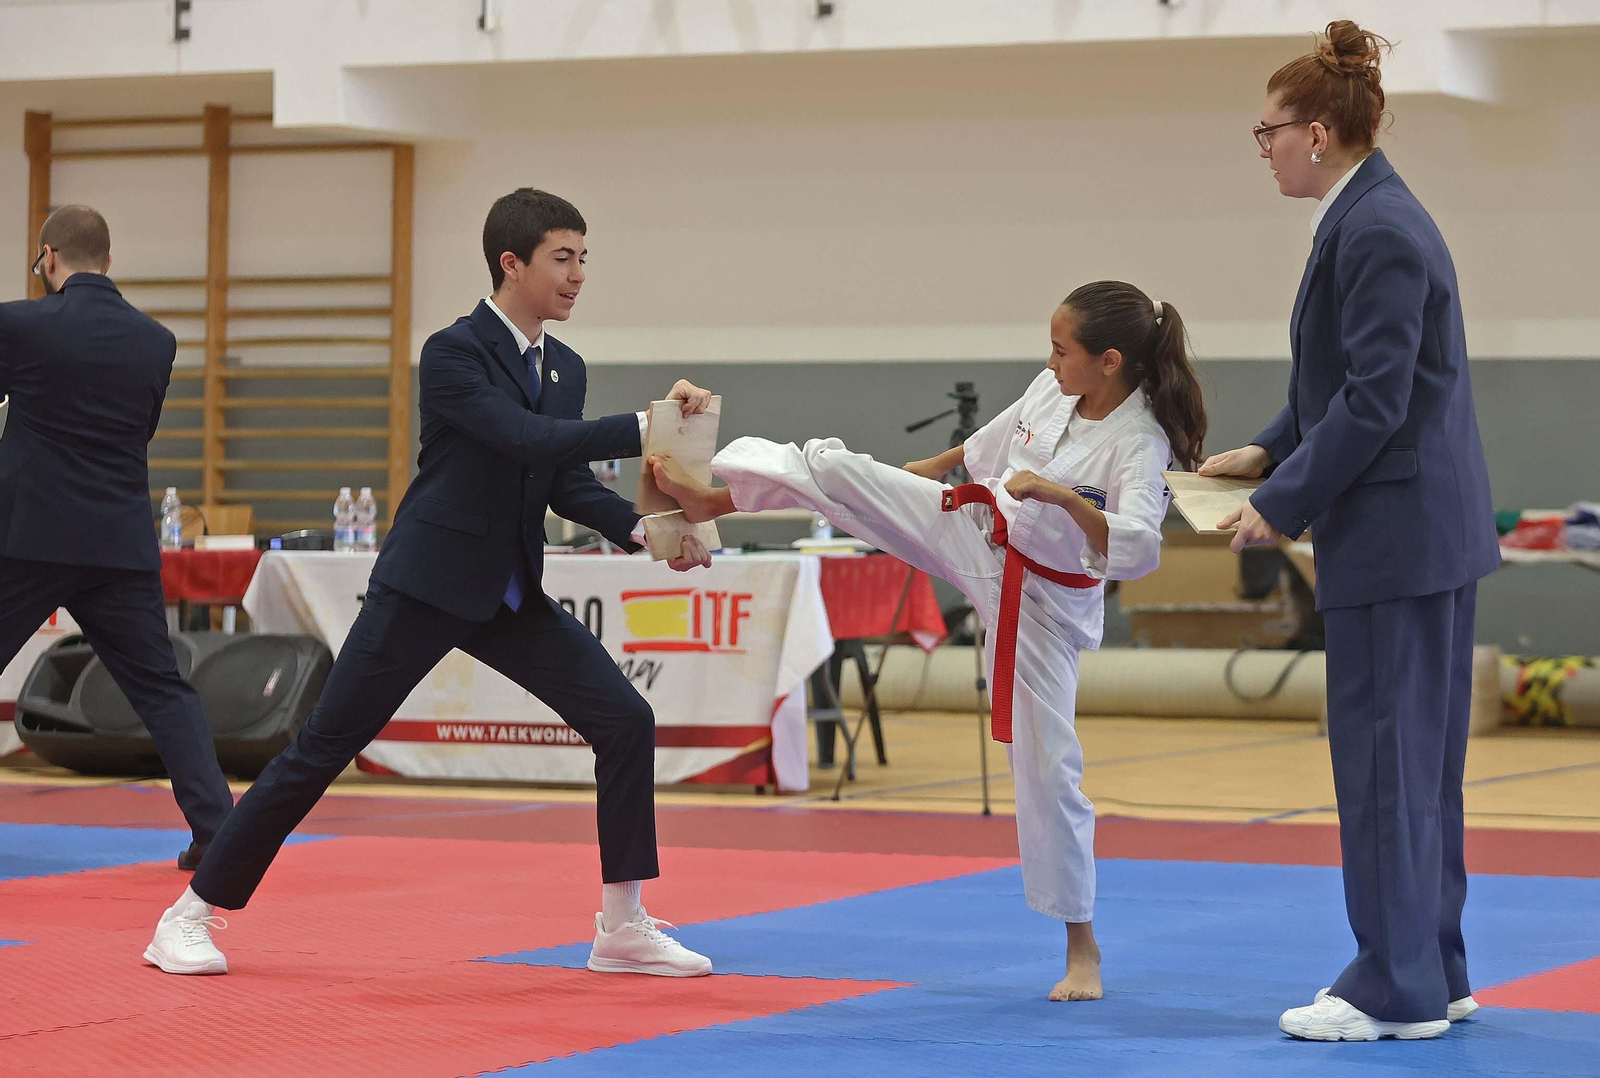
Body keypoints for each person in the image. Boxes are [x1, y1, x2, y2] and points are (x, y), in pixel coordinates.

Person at [145, 189, 717, 978]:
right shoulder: (452, 352)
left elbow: (563, 481)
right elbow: (523, 438)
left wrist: (651, 532)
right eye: (563, 258)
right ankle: (189, 913)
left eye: (585, 258)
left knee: (624, 719)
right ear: (511, 264)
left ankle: (621, 924)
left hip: (508, 592)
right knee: (321, 748)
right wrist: (652, 428)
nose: (579, 274)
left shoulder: (567, 367)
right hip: (426, 584)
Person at [651, 281, 1206, 1002]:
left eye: (1061, 350)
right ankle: (707, 502)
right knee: (835, 466)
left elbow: (1136, 551)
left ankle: (1082, 949)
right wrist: (919, 476)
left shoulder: (1140, 441)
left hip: (1045, 604)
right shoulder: (1051, 391)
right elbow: (985, 446)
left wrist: (1064, 497)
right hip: (977, 535)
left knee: (1048, 769)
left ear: (1109, 361)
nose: (1050, 360)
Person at [1201, 21, 1499, 1041]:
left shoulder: (1373, 228)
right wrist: (1268, 449)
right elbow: (1351, 386)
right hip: (1419, 530)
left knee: (1384, 764)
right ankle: (1437, 967)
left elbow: (1375, 403)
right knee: (1418, 766)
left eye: (1268, 131)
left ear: (1317, 132)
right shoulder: (1370, 216)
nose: (1263, 147)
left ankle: (1394, 988)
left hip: (1396, 535)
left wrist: (1277, 504)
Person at [0, 205, 233, 870]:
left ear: (47, 258)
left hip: (27, 538)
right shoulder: (156, 342)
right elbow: (139, 429)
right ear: (109, 261)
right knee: (163, 690)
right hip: (117, 543)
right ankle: (220, 834)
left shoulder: (18, 323)